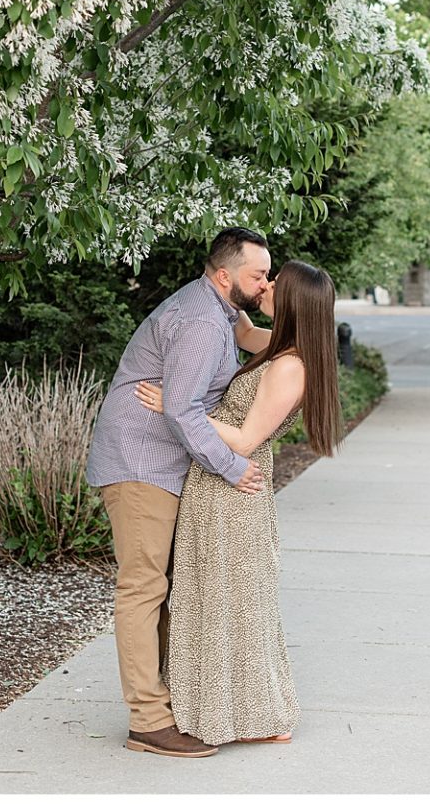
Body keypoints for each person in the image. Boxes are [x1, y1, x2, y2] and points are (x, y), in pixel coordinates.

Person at [135, 259, 343, 746]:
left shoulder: (291, 365)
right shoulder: (281, 345)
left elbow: (248, 440)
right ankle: (235, 712)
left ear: (293, 301)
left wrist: (176, 407)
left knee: (233, 601)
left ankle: (254, 717)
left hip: (233, 489)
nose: (266, 286)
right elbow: (239, 323)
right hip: (218, 485)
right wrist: (224, 279)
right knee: (219, 598)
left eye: (275, 283)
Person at [84, 227, 273, 759]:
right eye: (258, 276)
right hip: (143, 464)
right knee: (144, 588)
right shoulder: (197, 321)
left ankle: (173, 703)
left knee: (166, 587)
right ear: (223, 275)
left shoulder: (220, 311)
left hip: (163, 463)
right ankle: (148, 720)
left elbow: (257, 337)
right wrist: (232, 467)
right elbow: (181, 409)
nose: (265, 284)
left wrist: (298, 312)